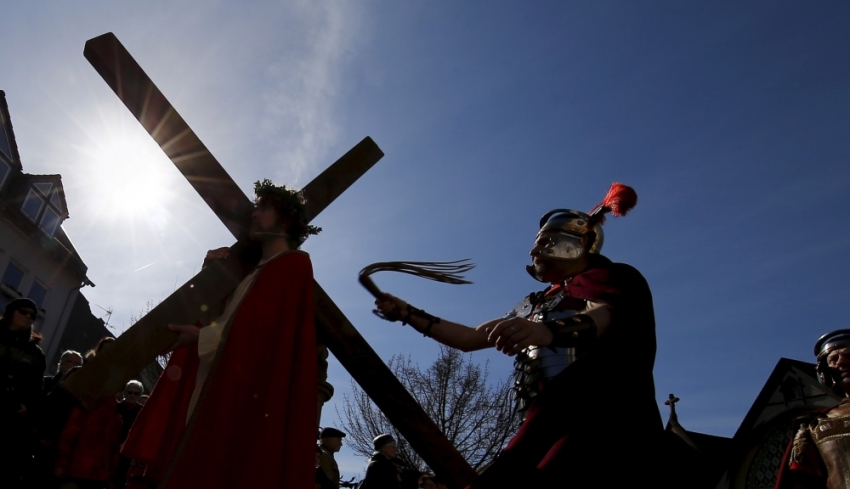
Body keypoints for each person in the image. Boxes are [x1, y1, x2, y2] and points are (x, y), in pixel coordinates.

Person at [375, 183, 663, 487]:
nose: (533, 251)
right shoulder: (537, 303)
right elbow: (468, 338)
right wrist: (407, 313)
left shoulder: (610, 278)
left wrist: (547, 331)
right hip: (544, 421)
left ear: (576, 242)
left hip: (599, 419)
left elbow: (605, 316)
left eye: (545, 241)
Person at [121, 179, 320, 489]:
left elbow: (264, 336)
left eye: (264, 208)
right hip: (215, 383)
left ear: (286, 219)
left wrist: (201, 338)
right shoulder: (254, 273)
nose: (254, 215)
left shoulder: (292, 266)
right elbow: (226, 321)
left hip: (245, 400)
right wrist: (209, 275)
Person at [776, 330, 850, 489]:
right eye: (833, 360)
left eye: (848, 355)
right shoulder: (813, 425)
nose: (841, 363)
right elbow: (802, 481)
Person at [0, 298, 45, 488]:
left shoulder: (35, 353)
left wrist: (29, 408)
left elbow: (37, 389)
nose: (28, 317)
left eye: (32, 315)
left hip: (12, 423)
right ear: (11, 312)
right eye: (23, 311)